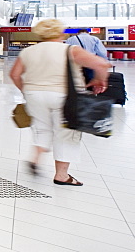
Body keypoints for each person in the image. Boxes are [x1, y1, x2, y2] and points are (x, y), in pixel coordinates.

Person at [9, 18, 111, 186]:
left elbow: (14, 75)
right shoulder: (70, 50)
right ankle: (62, 175)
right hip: (64, 96)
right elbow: (101, 64)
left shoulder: (28, 51)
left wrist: (27, 90)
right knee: (66, 133)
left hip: (34, 95)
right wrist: (100, 81)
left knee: (42, 130)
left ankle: (35, 159)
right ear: (60, 32)